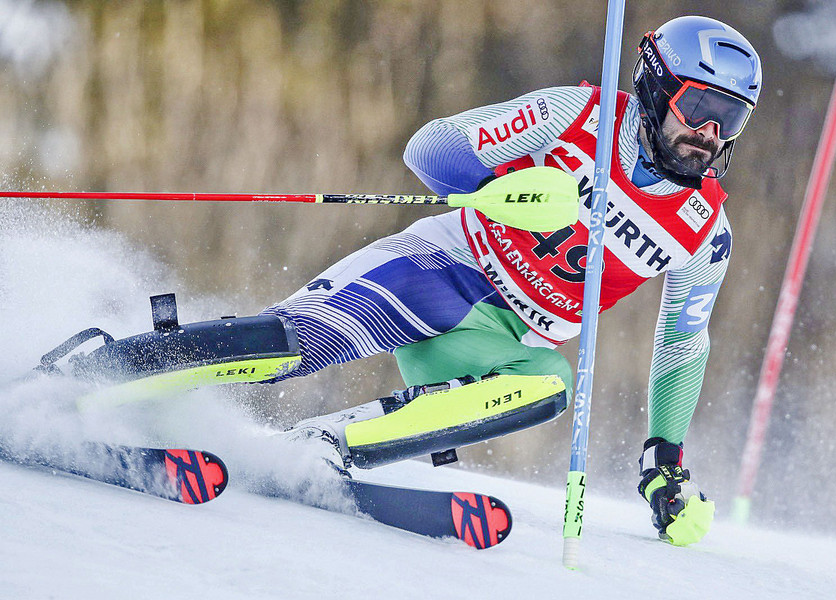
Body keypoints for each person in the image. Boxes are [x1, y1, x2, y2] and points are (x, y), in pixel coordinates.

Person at [260, 15, 762, 544]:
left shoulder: (705, 231)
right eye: (699, 108)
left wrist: (663, 462)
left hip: (495, 342)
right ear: (656, 88)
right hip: (438, 266)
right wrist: (509, 192)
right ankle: (173, 362)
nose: (709, 135)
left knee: (551, 385)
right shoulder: (580, 114)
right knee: (286, 344)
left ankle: (323, 442)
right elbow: (432, 147)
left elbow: (683, 344)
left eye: (730, 120)